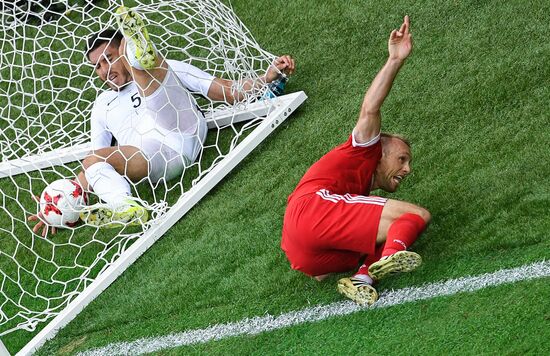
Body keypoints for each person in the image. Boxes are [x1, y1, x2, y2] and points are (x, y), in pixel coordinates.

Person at [29, 5, 295, 236]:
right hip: (151, 159)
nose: (104, 70)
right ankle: (125, 206)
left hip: (181, 129)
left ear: (120, 51)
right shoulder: (101, 106)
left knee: (148, 72)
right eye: (97, 66)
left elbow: (224, 90)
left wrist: (266, 78)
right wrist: (64, 205)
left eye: (108, 59)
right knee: (92, 161)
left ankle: (138, 54)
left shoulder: (169, 67)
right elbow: (95, 161)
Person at [281, 15, 430, 306]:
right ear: (380, 150)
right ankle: (389, 258)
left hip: (301, 251)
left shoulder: (355, 187)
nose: (407, 169)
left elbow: (317, 274)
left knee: (378, 237)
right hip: (313, 208)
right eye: (401, 159)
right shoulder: (364, 148)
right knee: (415, 216)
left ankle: (362, 278)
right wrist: (395, 60)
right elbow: (370, 107)